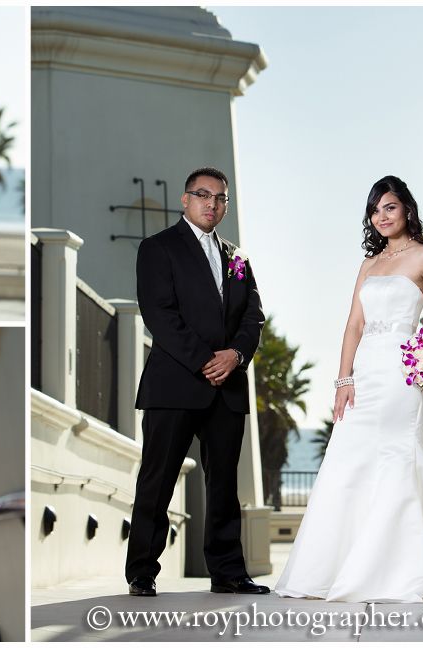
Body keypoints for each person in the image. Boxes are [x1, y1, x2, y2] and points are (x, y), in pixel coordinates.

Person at [275, 176, 423, 602]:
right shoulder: (368, 265)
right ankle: (339, 566)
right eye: (375, 210)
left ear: (406, 209)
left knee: (398, 455)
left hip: (405, 374)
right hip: (365, 373)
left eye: (390, 207)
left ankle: (402, 570)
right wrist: (343, 379)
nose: (382, 216)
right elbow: (354, 325)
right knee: (349, 459)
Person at [126, 167, 269, 596]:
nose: (212, 203)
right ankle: (142, 572)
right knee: (157, 481)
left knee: (224, 486)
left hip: (227, 389)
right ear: (185, 200)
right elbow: (160, 315)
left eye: (221, 198)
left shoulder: (238, 257)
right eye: (203, 195)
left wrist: (236, 356)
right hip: (174, 385)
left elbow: (253, 316)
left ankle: (228, 572)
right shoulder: (157, 248)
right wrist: (206, 360)